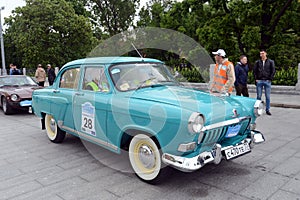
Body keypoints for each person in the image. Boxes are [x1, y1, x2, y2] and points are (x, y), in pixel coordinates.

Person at [253, 49, 276, 115]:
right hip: (259, 80)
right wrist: (256, 79)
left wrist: (270, 78)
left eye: (263, 53)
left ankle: (267, 109)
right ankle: (258, 109)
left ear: (266, 54)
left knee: (267, 96)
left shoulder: (270, 62)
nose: (261, 55)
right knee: (259, 96)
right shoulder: (257, 62)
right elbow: (254, 71)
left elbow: (273, 70)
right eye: (260, 54)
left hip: (267, 81)